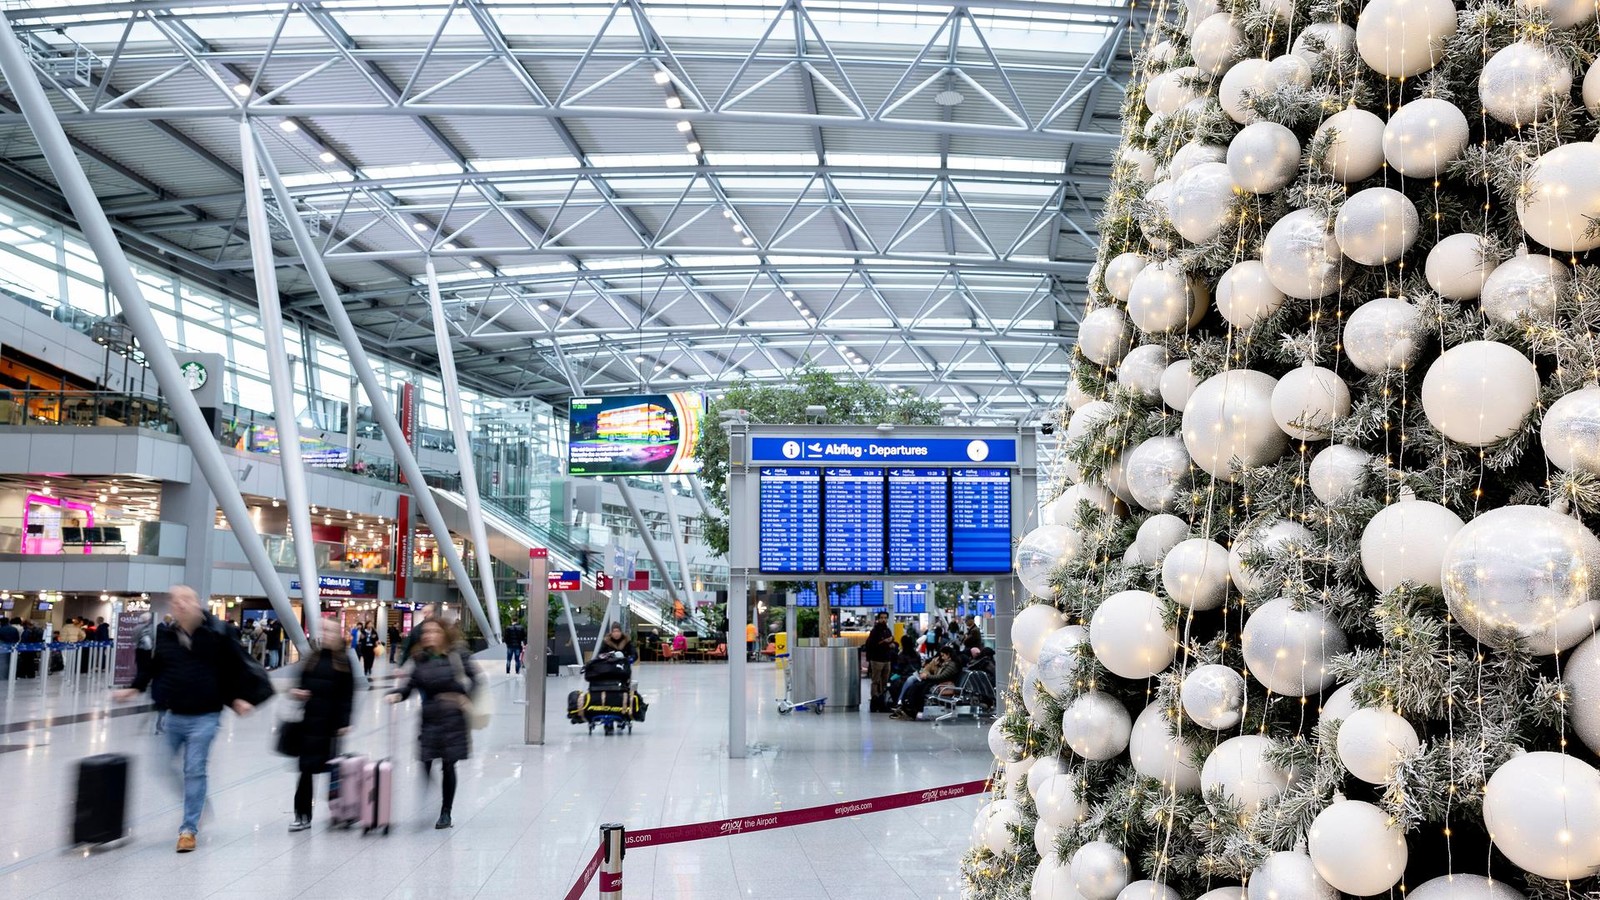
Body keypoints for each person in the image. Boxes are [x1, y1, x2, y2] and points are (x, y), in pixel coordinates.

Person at [113, 585, 258, 852]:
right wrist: (134, 687)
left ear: (196, 603)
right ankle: (198, 803)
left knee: (193, 770)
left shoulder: (215, 635)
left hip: (206, 716)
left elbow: (232, 669)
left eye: (185, 600)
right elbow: (153, 668)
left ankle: (188, 829)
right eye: (174, 600)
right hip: (173, 715)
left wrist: (238, 697)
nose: (178, 604)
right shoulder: (166, 636)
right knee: (161, 766)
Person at [386, 619, 479, 830]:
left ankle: (446, 812)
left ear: (444, 634)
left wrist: (466, 698)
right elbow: (409, 687)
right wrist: (396, 695)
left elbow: (476, 679)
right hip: (430, 717)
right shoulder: (420, 659)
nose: (428, 635)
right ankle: (433, 794)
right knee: (424, 759)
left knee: (448, 764)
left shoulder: (457, 656)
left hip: (453, 717)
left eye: (433, 631)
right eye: (425, 632)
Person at [288, 629, 355, 832]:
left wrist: (345, 722)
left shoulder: (343, 662)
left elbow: (347, 695)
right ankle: (302, 815)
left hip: (331, 726)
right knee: (306, 770)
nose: (326, 634)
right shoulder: (311, 659)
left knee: (335, 770)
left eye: (329, 630)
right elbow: (298, 684)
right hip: (310, 724)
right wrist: (297, 692)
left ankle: (340, 811)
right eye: (323, 631)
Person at [890, 647, 961, 721]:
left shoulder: (952, 665)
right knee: (916, 686)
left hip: (943, 686)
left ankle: (911, 709)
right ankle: (908, 708)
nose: (942, 658)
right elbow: (933, 672)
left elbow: (941, 677)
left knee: (917, 687)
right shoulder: (946, 663)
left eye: (943, 655)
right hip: (939, 683)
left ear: (948, 655)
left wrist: (927, 676)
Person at [864, 612, 898, 710]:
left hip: (887, 659)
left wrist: (891, 643)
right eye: (882, 618)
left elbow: (892, 642)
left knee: (884, 681)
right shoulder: (874, 631)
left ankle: (882, 700)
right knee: (875, 681)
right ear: (878, 619)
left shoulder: (887, 630)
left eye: (885, 618)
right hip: (877, 659)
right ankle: (875, 701)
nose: (883, 620)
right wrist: (885, 642)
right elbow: (872, 645)